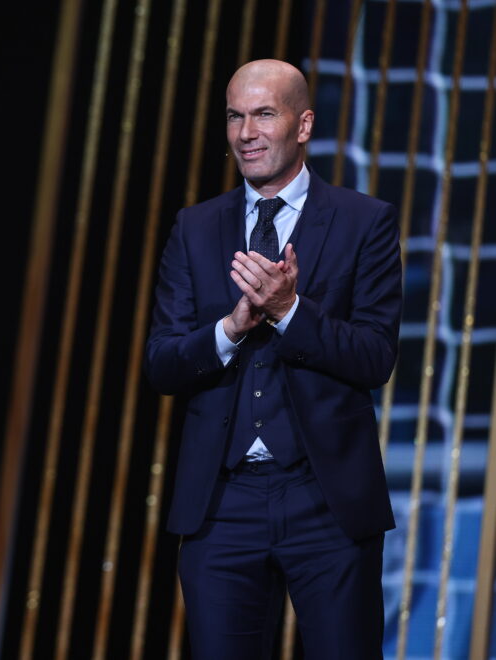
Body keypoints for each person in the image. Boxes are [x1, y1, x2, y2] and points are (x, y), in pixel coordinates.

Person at [145, 60, 401, 659]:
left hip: (327, 502)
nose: (245, 132)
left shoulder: (366, 222)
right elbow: (162, 363)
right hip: (221, 506)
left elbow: (374, 357)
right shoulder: (195, 227)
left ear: (304, 124)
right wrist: (232, 328)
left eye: (264, 114)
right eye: (235, 116)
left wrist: (289, 311)